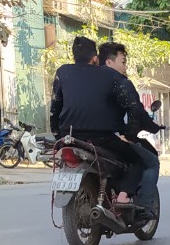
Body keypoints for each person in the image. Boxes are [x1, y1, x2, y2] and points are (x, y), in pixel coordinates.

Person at [50, 37, 142, 204]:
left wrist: (59, 137)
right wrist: (129, 134)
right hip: (102, 139)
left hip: (69, 137)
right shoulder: (109, 75)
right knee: (137, 161)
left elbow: (55, 108)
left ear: (74, 57)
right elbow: (132, 106)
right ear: (95, 58)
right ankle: (123, 197)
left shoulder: (62, 72)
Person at [97, 41, 162, 219]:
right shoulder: (119, 81)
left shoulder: (86, 80)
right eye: (123, 62)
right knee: (149, 161)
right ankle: (143, 207)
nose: (125, 67)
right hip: (110, 137)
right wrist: (129, 135)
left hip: (80, 135)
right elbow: (136, 110)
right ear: (109, 62)